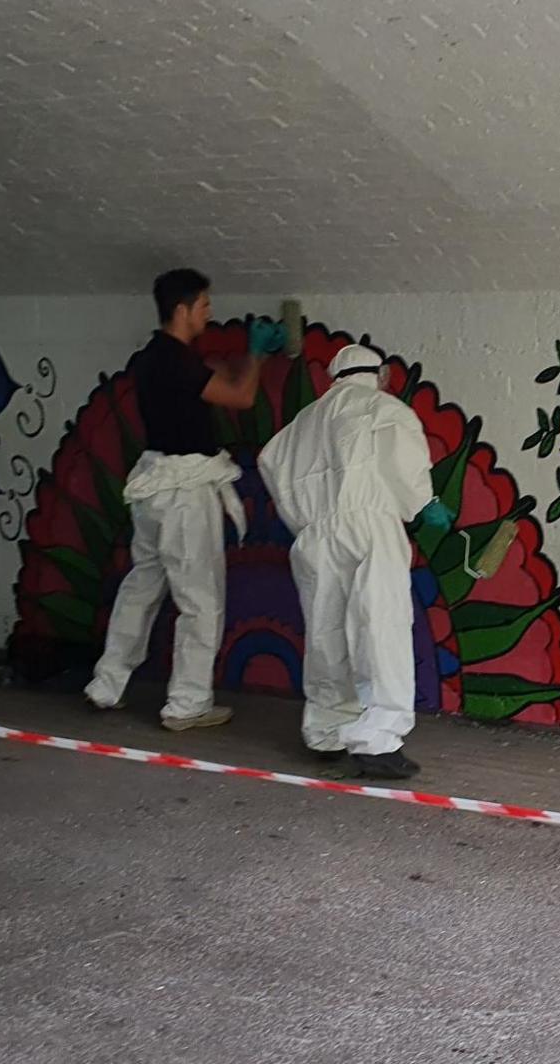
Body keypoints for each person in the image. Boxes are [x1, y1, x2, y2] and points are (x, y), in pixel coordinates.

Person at [84, 268, 283, 731]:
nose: (210, 313)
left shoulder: (153, 357)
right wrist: (257, 356)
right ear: (183, 309)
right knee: (199, 599)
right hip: (185, 496)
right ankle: (187, 704)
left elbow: (208, 380)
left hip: (153, 488)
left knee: (141, 588)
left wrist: (241, 359)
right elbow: (241, 397)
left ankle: (106, 684)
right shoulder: (178, 361)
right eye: (205, 305)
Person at [259, 343, 454, 780]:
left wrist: (302, 517)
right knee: (379, 627)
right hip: (369, 525)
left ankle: (327, 730)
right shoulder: (384, 408)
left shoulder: (303, 421)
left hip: (315, 534)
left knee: (327, 632)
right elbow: (403, 463)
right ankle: (378, 741)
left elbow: (270, 461)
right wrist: (424, 504)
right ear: (379, 373)